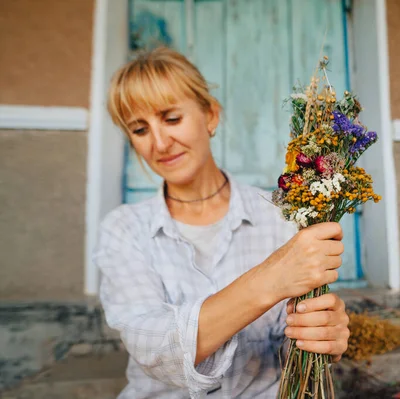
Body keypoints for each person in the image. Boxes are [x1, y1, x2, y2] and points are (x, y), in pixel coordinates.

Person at [93, 47, 350, 399]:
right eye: (139, 129)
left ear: (210, 116)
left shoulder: (281, 215)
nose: (160, 142)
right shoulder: (124, 230)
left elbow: (294, 350)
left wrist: (326, 334)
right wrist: (270, 279)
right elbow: (155, 349)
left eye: (171, 119)